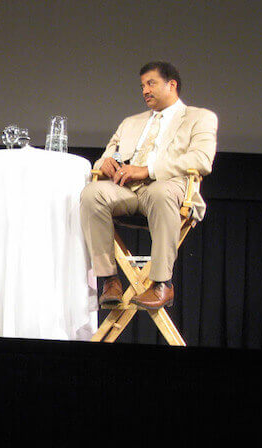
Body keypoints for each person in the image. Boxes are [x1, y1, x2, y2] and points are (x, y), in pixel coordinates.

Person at [80, 61, 218, 310]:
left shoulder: (200, 117)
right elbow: (105, 156)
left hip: (170, 186)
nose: (144, 90)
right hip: (127, 190)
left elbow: (202, 159)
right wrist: (106, 163)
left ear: (171, 84)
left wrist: (148, 170)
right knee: (91, 194)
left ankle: (162, 283)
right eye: (142, 85)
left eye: (151, 83)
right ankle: (109, 280)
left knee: (161, 193)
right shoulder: (130, 122)